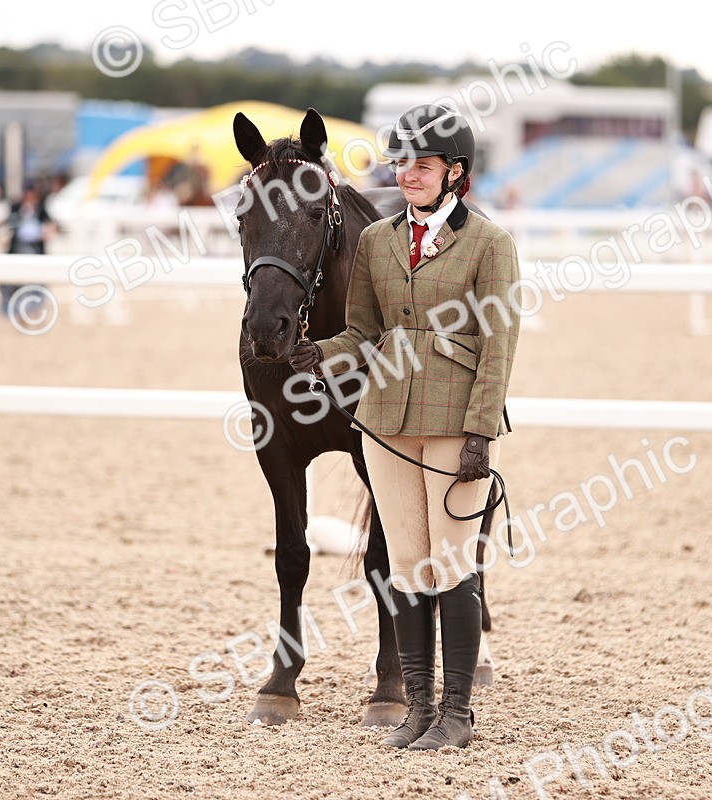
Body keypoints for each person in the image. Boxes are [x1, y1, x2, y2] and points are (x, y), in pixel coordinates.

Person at [289, 104, 521, 751]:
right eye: (401, 163)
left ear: (455, 172)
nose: (408, 174)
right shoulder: (377, 241)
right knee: (409, 569)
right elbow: (363, 332)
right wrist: (322, 354)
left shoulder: (490, 244)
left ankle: (458, 713)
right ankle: (419, 708)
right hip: (385, 421)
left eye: (422, 164)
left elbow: (499, 344)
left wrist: (481, 432)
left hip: (455, 423)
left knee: (453, 568)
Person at [0, 182, 55, 316]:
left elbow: (53, 225)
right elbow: (5, 224)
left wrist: (46, 231)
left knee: (37, 282)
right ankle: (11, 310)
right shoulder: (16, 208)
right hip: (17, 250)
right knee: (11, 282)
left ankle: (33, 310)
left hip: (35, 250)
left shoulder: (41, 209)